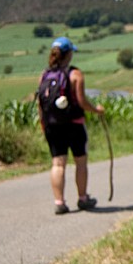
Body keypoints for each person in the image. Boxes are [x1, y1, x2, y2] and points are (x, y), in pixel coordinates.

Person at [39, 36, 105, 215]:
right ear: (68, 54)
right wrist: (97, 110)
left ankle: (59, 202)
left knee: (58, 164)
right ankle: (83, 198)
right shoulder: (75, 74)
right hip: (74, 125)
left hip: (52, 125)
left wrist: (43, 124)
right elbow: (82, 102)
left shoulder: (44, 75)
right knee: (80, 162)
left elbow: (40, 104)